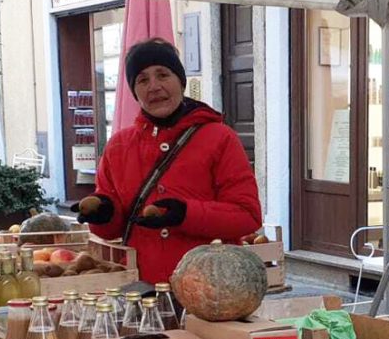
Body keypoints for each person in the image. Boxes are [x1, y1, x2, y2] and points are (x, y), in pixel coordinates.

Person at [71, 39, 262, 284]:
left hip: (211, 289)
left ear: (181, 81)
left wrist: (185, 214)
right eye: (142, 80)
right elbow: (113, 229)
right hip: (143, 290)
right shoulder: (118, 146)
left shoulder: (220, 138)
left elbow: (247, 216)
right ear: (134, 92)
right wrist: (103, 214)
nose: (154, 86)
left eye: (163, 75)